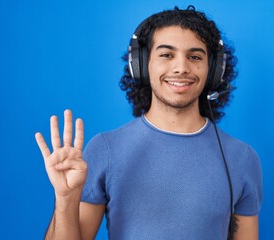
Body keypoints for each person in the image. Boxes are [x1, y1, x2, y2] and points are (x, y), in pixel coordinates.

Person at [35, 6, 262, 240]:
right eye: (166, 55)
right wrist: (65, 199)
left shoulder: (241, 158)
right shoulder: (105, 149)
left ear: (213, 70)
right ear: (141, 65)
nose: (181, 68)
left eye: (195, 57)